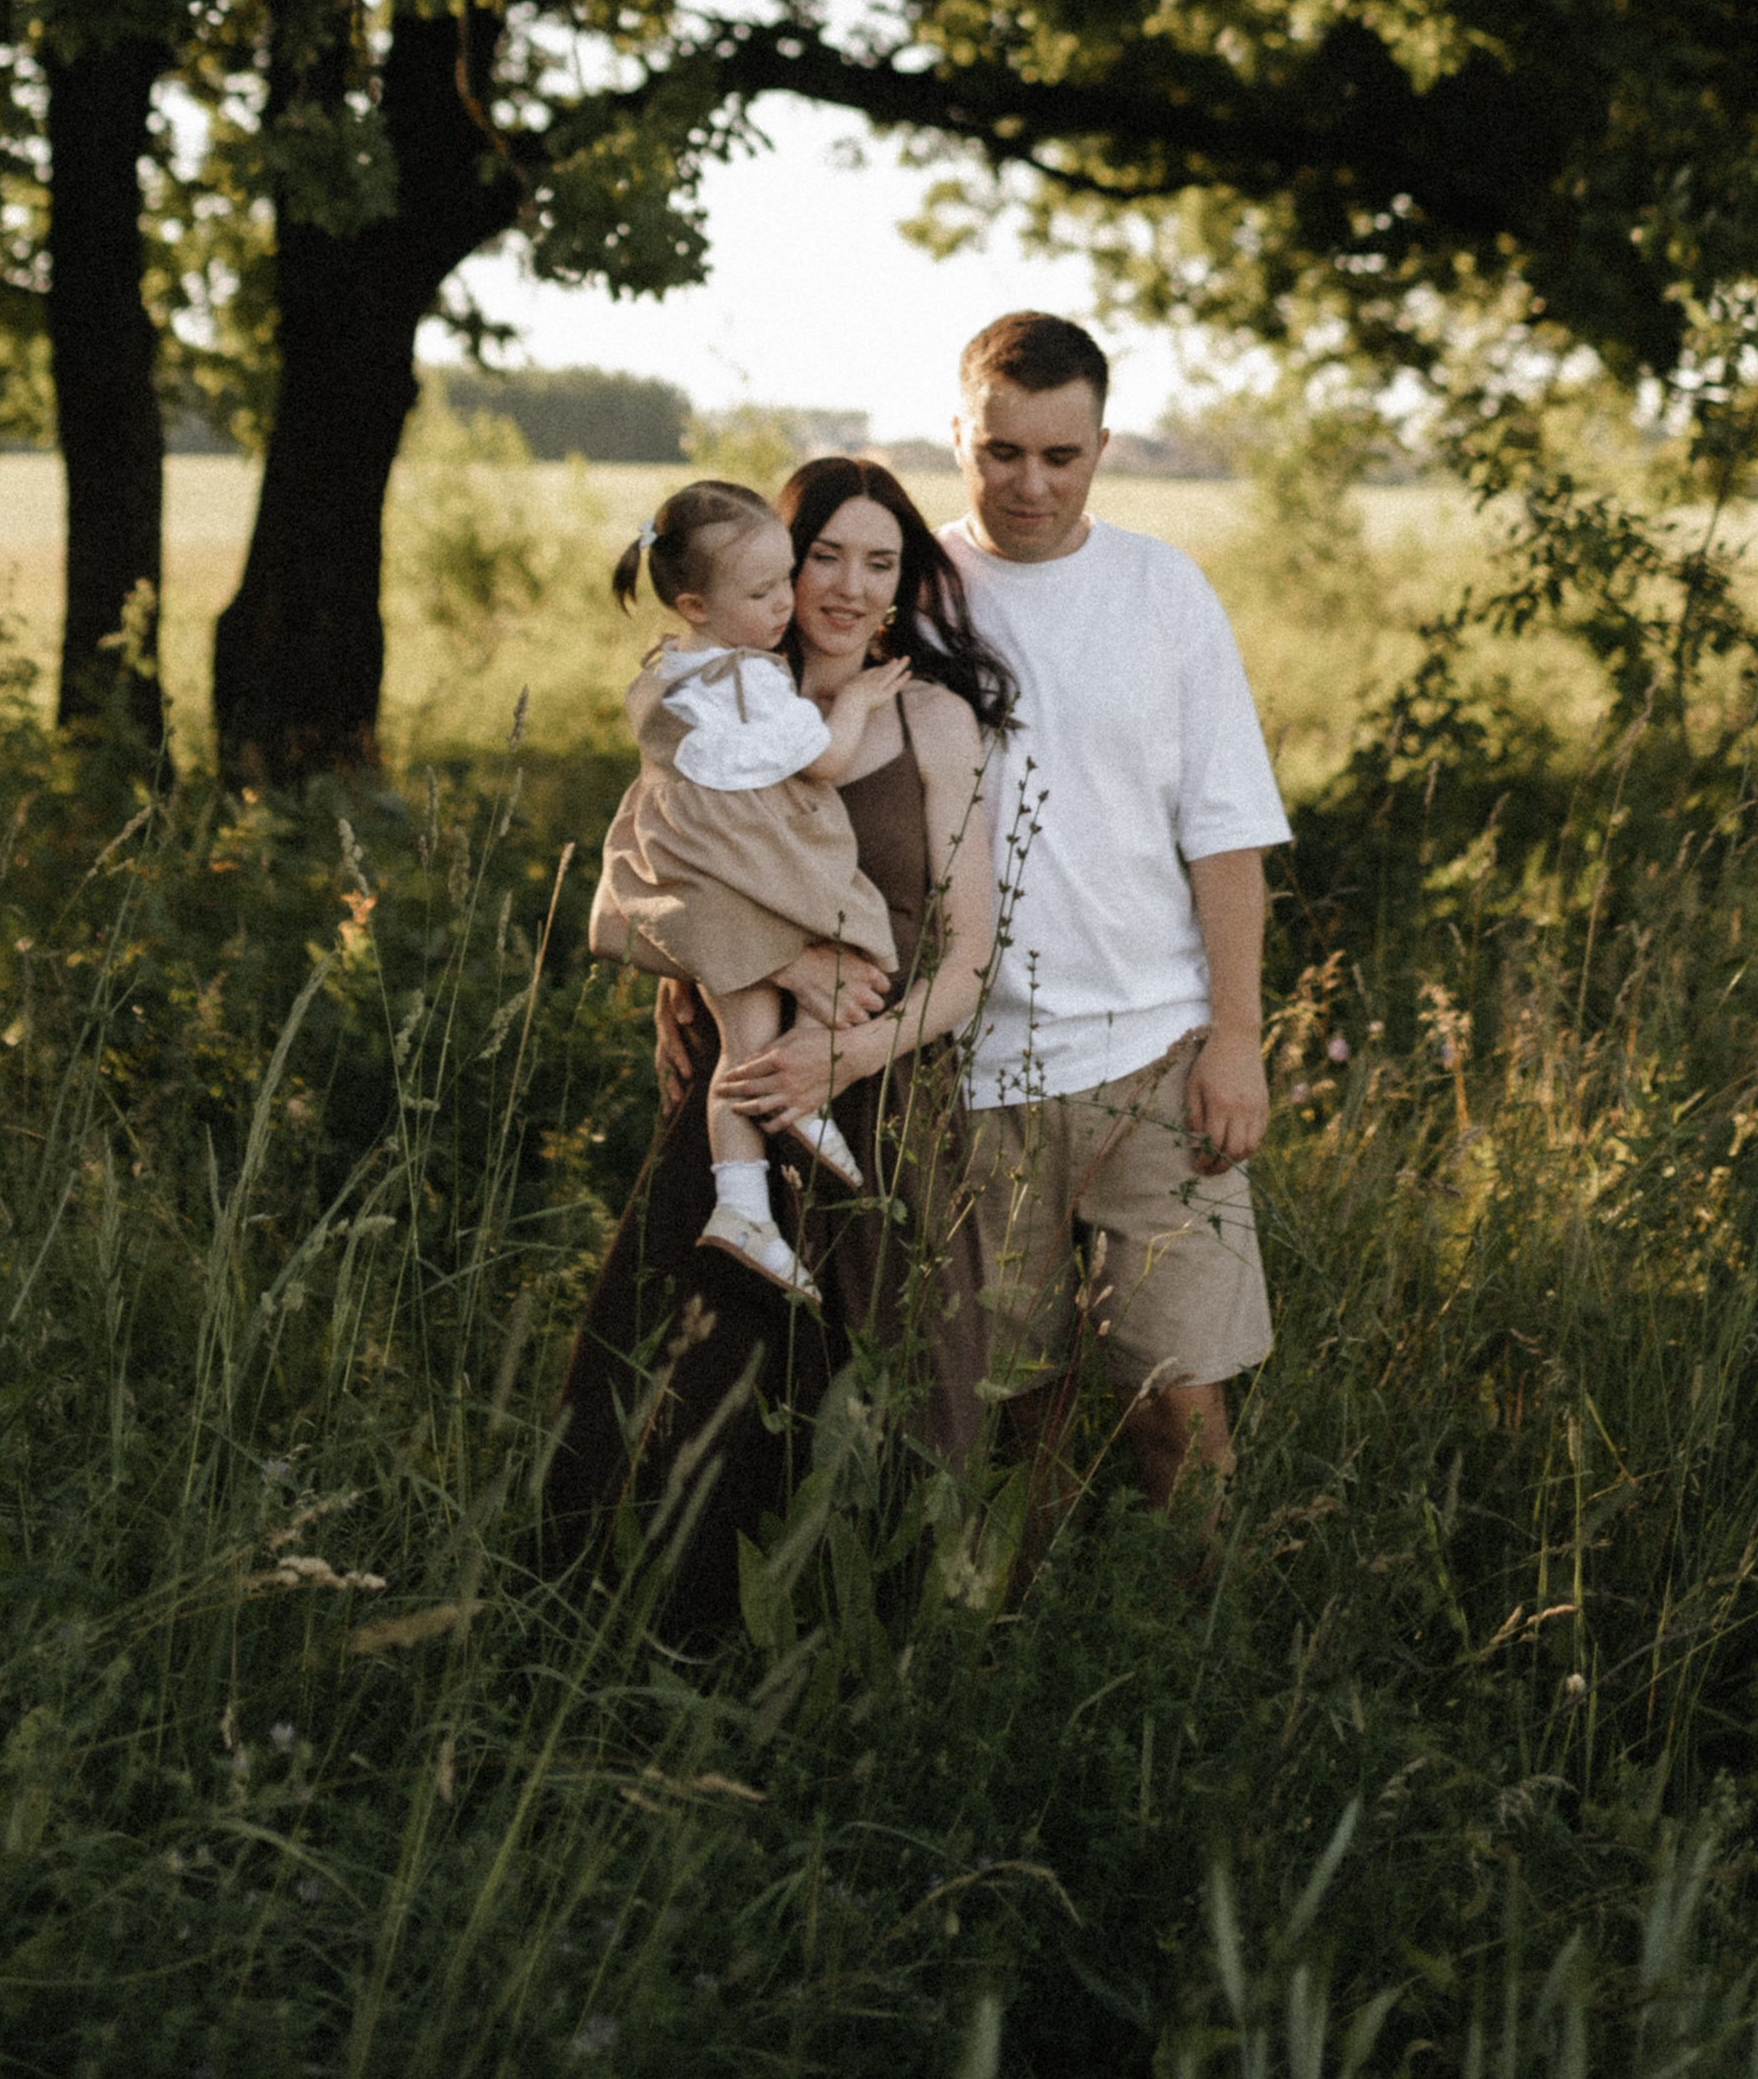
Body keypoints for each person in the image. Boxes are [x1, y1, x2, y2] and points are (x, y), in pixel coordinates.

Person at [549, 458, 1010, 1627]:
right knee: (690, 1414)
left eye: (882, 561)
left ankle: (868, 1696)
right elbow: (630, 894)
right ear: (772, 566)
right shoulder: (714, 706)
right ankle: (660, 1682)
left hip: (881, 1100)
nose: (852, 587)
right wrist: (774, 964)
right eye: (826, 557)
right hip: (741, 1095)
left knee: (904, 1423)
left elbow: (969, 957)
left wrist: (847, 1054)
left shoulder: (930, 717)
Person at [942, 309, 1289, 1511]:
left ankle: (1209, 1672)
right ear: (959, 435)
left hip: (1154, 1056)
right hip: (973, 1069)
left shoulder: (1161, 588)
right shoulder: (912, 591)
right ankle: (994, 1656)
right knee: (1009, 1422)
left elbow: (1227, 831)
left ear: (1101, 446)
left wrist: (1234, 1037)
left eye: (1059, 454)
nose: (1027, 482)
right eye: (1001, 450)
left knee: (1180, 1410)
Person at [594, 479, 912, 1300]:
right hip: (740, 871)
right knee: (852, 932)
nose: (784, 603)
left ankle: (751, 1195)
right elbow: (824, 759)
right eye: (767, 587)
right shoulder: (745, 683)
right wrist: (861, 701)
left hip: (712, 866)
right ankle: (763, 1169)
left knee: (754, 1038)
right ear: (698, 601)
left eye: (781, 583)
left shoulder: (676, 673)